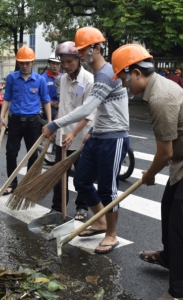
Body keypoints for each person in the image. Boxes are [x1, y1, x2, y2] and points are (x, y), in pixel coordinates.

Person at [111, 44, 183, 300]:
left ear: (136, 72)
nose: (124, 84)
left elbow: (164, 154)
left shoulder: (160, 97)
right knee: (168, 206)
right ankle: (170, 258)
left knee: (181, 224)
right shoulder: (156, 88)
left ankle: (181, 291)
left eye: (124, 78)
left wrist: (148, 175)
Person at [42, 27, 130, 254]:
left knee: (108, 190)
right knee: (81, 181)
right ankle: (100, 221)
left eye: (83, 49)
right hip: (97, 135)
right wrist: (89, 131)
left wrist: (54, 124)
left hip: (114, 137)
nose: (80, 53)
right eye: (78, 49)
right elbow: (97, 110)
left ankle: (111, 234)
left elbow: (86, 109)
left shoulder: (106, 75)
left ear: (97, 48)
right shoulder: (95, 74)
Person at [47, 41, 95, 221]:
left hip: (81, 137)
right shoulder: (63, 79)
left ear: (78, 59)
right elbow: (63, 108)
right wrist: (55, 127)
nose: (65, 66)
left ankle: (82, 207)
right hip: (62, 135)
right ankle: (57, 208)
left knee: (82, 176)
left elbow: (88, 112)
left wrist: (73, 133)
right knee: (59, 174)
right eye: (62, 62)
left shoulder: (88, 80)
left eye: (69, 62)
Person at [0, 46, 51, 195]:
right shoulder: (12, 78)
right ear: (18, 62)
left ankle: (28, 185)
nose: (25, 65)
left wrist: (49, 122)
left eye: (27, 62)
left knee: (33, 155)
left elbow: (46, 101)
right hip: (15, 121)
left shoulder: (39, 80)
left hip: (33, 122)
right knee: (11, 153)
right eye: (22, 62)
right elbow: (7, 98)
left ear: (32, 62)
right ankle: (11, 183)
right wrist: (2, 116)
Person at [41, 53, 61, 120]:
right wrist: (50, 103)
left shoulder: (63, 77)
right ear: (49, 64)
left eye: (57, 64)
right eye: (53, 63)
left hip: (60, 105)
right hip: (47, 105)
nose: (55, 66)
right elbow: (39, 95)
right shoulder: (43, 78)